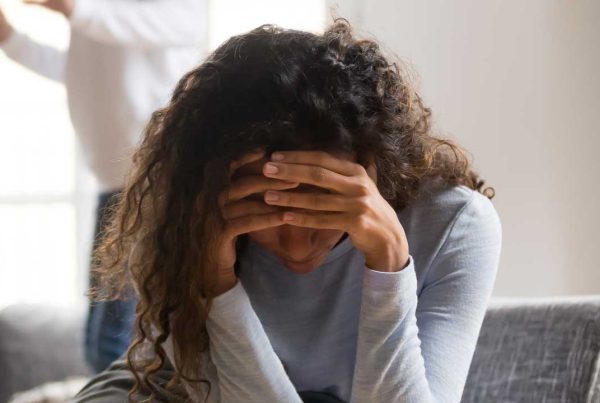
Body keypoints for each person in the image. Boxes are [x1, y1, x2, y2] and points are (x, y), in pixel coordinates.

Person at [72, 19, 502, 403]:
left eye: (320, 205)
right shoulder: (191, 217)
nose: (297, 246)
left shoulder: (454, 225)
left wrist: (389, 263)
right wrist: (216, 281)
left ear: (370, 166)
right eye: (265, 207)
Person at [0, 0, 208, 373]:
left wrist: (74, 9)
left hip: (157, 180)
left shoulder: (125, 12)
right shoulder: (97, 16)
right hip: (116, 181)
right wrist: (10, 38)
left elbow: (182, 25)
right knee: (100, 341)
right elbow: (78, 73)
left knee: (114, 342)